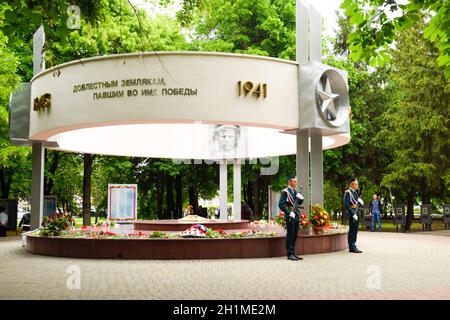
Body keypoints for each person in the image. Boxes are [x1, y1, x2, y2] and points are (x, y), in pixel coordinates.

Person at [278, 174, 304, 261]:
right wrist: (288, 213)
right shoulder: (285, 191)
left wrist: (301, 199)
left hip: (296, 214)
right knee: (290, 235)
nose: (296, 183)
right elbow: (281, 204)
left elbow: (298, 203)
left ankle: (293, 252)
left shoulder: (295, 191)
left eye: (296, 181)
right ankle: (289, 254)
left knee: (295, 235)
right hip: (290, 215)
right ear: (290, 182)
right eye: (294, 181)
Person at [344, 177, 363, 253]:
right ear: (352, 184)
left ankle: (353, 245)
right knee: (352, 230)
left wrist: (359, 202)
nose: (357, 185)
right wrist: (353, 214)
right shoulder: (348, 193)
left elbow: (355, 203)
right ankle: (351, 246)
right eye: (356, 184)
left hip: (356, 213)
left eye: (357, 184)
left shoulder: (355, 192)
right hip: (352, 214)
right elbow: (347, 205)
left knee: (355, 230)